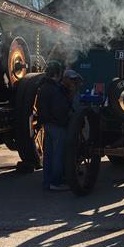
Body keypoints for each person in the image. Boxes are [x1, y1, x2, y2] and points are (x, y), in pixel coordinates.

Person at [37, 60, 72, 191]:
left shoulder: (43, 87)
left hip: (47, 124)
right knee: (58, 155)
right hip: (57, 125)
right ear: (57, 74)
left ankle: (47, 181)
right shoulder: (55, 89)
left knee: (48, 155)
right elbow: (60, 110)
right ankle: (56, 182)